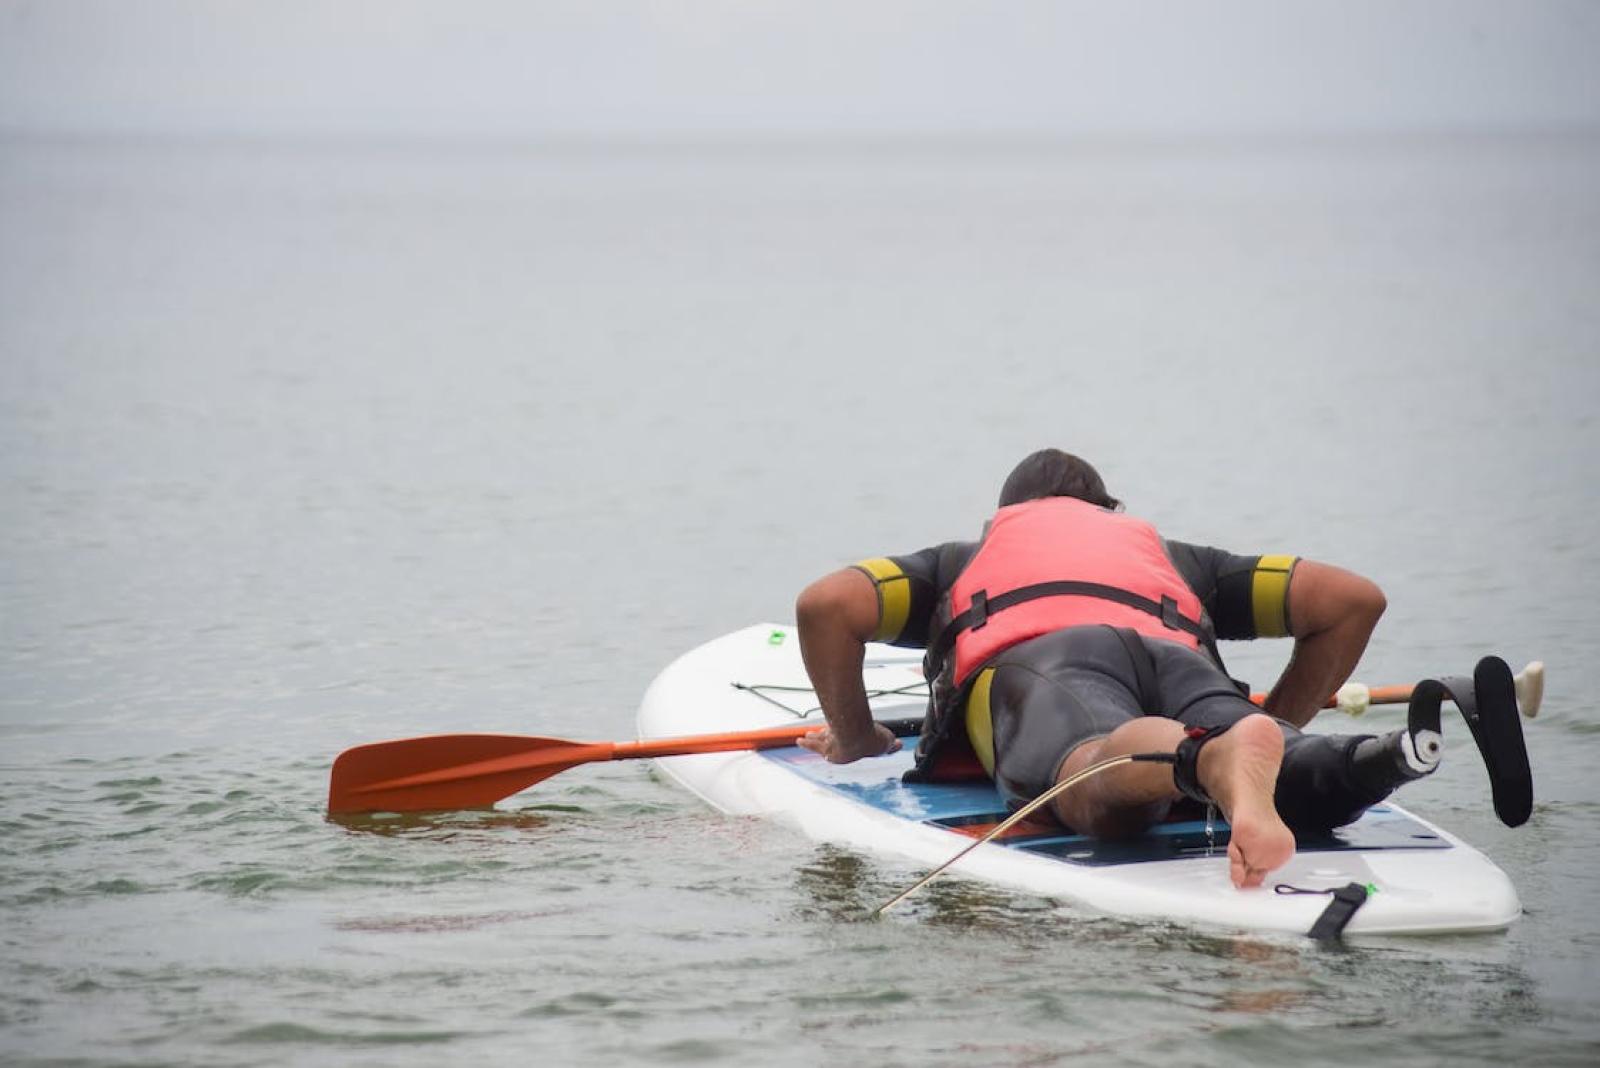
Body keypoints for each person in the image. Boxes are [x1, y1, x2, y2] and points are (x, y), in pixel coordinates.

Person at [794, 448, 1441, 891]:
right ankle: (1387, 757)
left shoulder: (965, 560)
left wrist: (854, 737)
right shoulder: (1174, 557)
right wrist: (1277, 722)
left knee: (1097, 778)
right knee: (1286, 764)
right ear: (1108, 512)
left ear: (1006, 515)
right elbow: (1352, 601)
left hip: (1048, 664)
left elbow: (827, 606)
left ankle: (1215, 761)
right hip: (1174, 658)